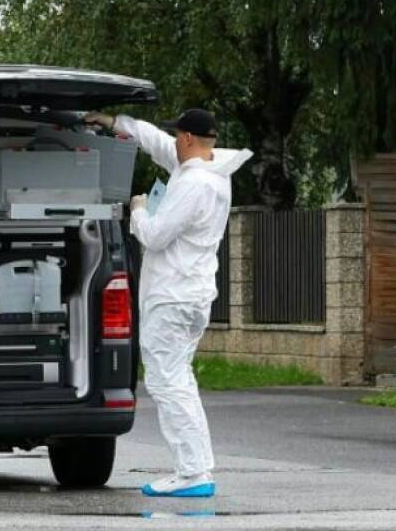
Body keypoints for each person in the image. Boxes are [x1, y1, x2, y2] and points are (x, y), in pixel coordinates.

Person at [84, 108, 252, 499]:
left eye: (177, 136)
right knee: (179, 380)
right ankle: (197, 468)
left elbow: (156, 237)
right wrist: (115, 123)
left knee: (168, 382)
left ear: (189, 139)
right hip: (190, 295)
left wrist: (138, 211)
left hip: (173, 297)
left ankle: (192, 472)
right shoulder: (211, 169)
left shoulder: (195, 185)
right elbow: (156, 143)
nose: (173, 141)